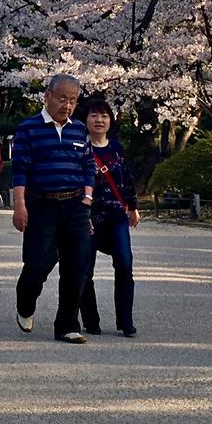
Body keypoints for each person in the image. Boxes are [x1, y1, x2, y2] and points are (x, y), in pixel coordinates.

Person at [11, 74, 95, 343]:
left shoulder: (79, 129)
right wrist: (19, 205)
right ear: (46, 96)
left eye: (72, 100)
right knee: (36, 262)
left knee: (77, 266)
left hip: (75, 205)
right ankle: (26, 302)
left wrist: (88, 199)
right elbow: (20, 170)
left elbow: (88, 167)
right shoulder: (28, 128)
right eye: (62, 98)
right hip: (41, 204)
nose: (67, 105)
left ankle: (68, 324)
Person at [75, 94, 140, 337]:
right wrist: (81, 213)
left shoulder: (116, 147)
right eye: (94, 115)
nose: (99, 120)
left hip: (116, 215)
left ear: (111, 121)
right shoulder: (80, 147)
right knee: (85, 269)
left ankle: (126, 320)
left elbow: (126, 179)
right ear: (86, 120)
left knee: (124, 264)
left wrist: (132, 207)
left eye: (104, 115)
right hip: (88, 218)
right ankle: (91, 320)